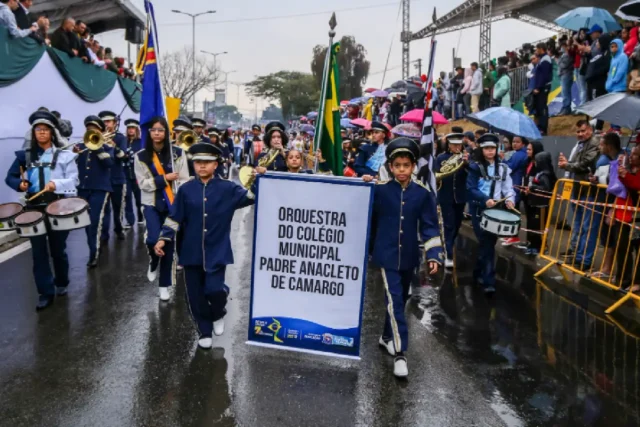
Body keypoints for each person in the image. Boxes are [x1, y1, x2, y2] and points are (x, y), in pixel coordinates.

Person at [154, 143, 258, 348]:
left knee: (214, 290)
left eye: (207, 162)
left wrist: (258, 178)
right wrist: (163, 238)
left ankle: (218, 312)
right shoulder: (186, 190)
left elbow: (251, 197)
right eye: (198, 162)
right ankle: (204, 330)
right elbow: (174, 217)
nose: (202, 166)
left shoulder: (228, 188)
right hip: (191, 250)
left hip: (217, 250)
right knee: (195, 294)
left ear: (216, 164)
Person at [362, 138, 442, 378]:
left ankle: (387, 337)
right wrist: (365, 185)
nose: (401, 170)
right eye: (397, 165)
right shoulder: (380, 189)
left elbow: (429, 226)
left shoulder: (423, 193)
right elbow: (364, 214)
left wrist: (434, 255)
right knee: (395, 300)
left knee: (399, 300)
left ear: (414, 166)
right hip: (386, 256)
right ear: (390, 165)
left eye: (406, 165)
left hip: (409, 257)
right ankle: (400, 353)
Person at [5, 111, 78, 310]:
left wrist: (58, 184)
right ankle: (45, 292)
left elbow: (74, 180)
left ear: (52, 132)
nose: (42, 133)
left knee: (58, 250)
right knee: (38, 252)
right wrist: (19, 184)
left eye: (45, 130)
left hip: (58, 207)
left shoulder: (64, 155)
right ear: (34, 132)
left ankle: (61, 281)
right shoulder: (25, 155)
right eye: (38, 130)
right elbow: (10, 177)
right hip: (33, 209)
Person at [134, 116, 190, 301]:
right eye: (153, 130)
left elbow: (183, 180)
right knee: (152, 239)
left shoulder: (178, 154)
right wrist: (164, 178)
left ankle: (164, 284)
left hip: (172, 205)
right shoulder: (141, 156)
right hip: (151, 203)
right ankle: (153, 260)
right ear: (149, 133)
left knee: (168, 244)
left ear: (167, 133)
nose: (157, 133)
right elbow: (143, 184)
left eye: (160, 130)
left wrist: (180, 201)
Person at [466, 134, 516, 293]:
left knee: (489, 243)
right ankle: (489, 281)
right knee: (485, 242)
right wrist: (485, 199)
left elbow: (508, 188)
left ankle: (478, 273)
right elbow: (471, 188)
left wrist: (510, 200)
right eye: (487, 148)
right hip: (479, 209)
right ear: (481, 149)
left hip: (496, 210)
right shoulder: (475, 167)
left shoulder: (503, 168)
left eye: (492, 148)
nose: (490, 151)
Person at [558, 120, 600, 269]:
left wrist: (566, 165)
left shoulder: (595, 143)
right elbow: (576, 163)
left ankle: (584, 260)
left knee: (587, 227)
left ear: (590, 130)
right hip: (577, 189)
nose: (580, 134)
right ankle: (577, 255)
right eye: (578, 132)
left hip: (589, 192)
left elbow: (584, 164)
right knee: (579, 224)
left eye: (583, 131)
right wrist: (567, 163)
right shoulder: (580, 145)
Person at [76, 115, 115, 268]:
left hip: (100, 188)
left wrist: (98, 147)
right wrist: (74, 153)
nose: (91, 131)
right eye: (88, 129)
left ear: (101, 131)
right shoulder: (81, 145)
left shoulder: (108, 145)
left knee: (95, 221)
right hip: (84, 188)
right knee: (86, 222)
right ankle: (94, 246)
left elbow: (109, 163)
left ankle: (94, 253)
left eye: (94, 129)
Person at [435, 133, 468, 268]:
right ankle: (448, 254)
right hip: (445, 195)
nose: (456, 147)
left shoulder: (465, 159)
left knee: (456, 225)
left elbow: (471, 175)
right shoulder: (441, 158)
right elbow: (436, 173)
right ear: (448, 145)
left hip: (460, 196)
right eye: (453, 144)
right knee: (449, 225)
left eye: (458, 144)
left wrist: (467, 164)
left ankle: (447, 244)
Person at [98, 111, 128, 241]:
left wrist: (113, 145)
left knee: (118, 207)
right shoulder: (96, 137)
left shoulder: (121, 138)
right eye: (104, 122)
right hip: (103, 178)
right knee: (104, 209)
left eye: (108, 121)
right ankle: (104, 233)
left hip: (117, 178)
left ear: (115, 123)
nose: (106, 124)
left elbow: (123, 157)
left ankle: (119, 228)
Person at [615, 146, 640, 293]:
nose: (631, 156)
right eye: (631, 154)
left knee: (638, 250)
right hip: (625, 215)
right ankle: (623, 278)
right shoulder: (627, 169)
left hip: (636, 218)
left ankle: (637, 281)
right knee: (622, 246)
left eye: (635, 155)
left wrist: (625, 176)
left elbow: (636, 184)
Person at [523, 145, 554, 256]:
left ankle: (540, 246)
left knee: (539, 226)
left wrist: (533, 188)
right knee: (533, 224)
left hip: (541, 205)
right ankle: (533, 245)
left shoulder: (545, 175)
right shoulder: (539, 173)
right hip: (535, 202)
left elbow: (545, 188)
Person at [124, 118, 143, 226]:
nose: (131, 130)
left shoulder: (140, 142)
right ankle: (130, 220)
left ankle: (141, 218)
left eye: (133, 128)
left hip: (137, 174)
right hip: (126, 173)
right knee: (127, 198)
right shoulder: (124, 141)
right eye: (129, 128)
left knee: (139, 197)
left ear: (137, 130)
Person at [532, 43, 553, 135]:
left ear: (541, 49)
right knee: (539, 107)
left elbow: (544, 76)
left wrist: (538, 87)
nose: (536, 51)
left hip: (543, 87)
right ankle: (540, 127)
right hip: (540, 87)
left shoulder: (546, 59)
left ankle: (543, 128)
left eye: (537, 49)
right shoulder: (542, 59)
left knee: (543, 107)